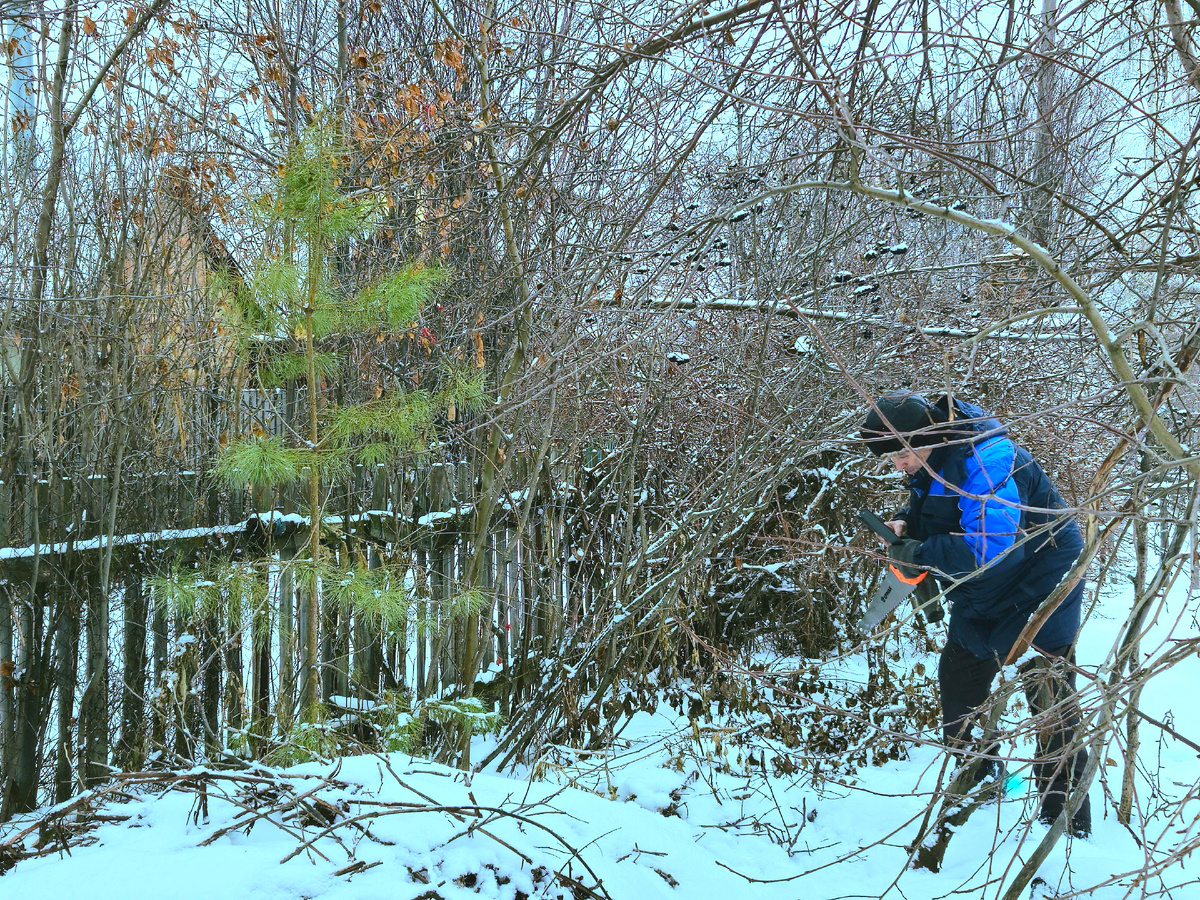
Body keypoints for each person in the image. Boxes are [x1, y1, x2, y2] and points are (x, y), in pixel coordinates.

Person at [859, 390, 1092, 838]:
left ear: (923, 437)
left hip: (1040, 576)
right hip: (985, 584)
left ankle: (1065, 824)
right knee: (959, 681)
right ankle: (982, 777)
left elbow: (987, 545)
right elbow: (942, 507)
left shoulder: (988, 460)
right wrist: (910, 525)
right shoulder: (936, 455)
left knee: (1049, 695)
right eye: (891, 459)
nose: (898, 466)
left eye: (901, 454)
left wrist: (922, 551)